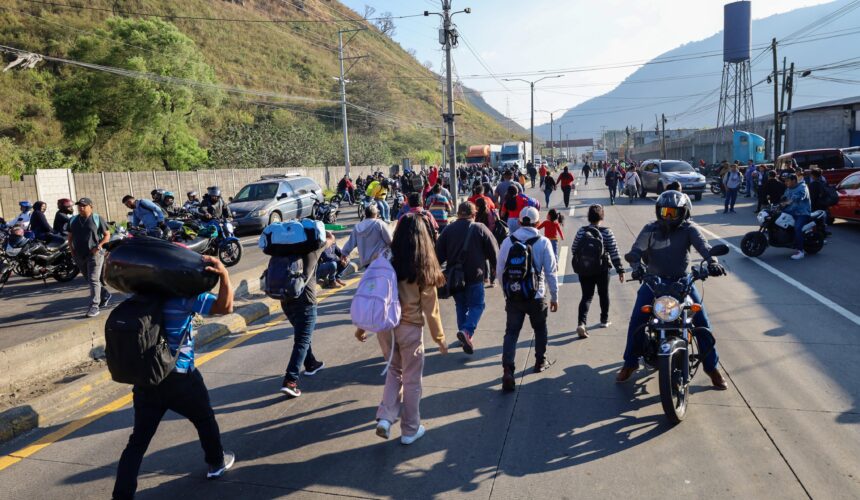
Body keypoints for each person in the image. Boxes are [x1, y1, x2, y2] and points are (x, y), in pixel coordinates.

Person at [112, 255, 236, 500]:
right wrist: (224, 275)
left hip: (146, 378)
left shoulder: (138, 297)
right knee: (204, 419)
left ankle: (121, 496)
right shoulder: (185, 296)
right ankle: (216, 462)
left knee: (138, 441)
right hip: (180, 376)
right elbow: (226, 307)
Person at [616, 191, 728, 389]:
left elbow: (704, 247)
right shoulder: (650, 228)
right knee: (637, 321)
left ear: (683, 213)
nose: (667, 217)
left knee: (702, 322)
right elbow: (637, 250)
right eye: (665, 212)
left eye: (673, 213)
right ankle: (630, 363)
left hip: (683, 282)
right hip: (653, 282)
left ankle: (712, 368)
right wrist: (636, 265)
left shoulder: (689, 229)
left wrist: (712, 262)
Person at [355, 213, 447, 445]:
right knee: (412, 380)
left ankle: (385, 418)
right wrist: (440, 338)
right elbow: (431, 309)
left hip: (386, 327)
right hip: (410, 328)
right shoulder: (423, 265)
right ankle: (410, 430)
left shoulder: (385, 257)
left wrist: (361, 326)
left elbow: (371, 292)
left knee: (394, 372)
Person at [497, 207, 559, 391]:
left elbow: (500, 271)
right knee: (540, 329)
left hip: (514, 297)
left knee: (511, 333)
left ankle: (508, 369)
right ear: (538, 223)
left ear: (520, 222)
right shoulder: (544, 241)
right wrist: (554, 296)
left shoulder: (508, 241)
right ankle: (540, 361)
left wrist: (506, 292)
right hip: (536, 295)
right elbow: (551, 272)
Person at [436, 202, 498, 355]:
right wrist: (495, 271)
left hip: (455, 278)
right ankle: (466, 331)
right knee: (477, 305)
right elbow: (494, 252)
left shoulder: (448, 230)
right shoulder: (480, 228)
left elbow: (437, 255)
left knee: (461, 306)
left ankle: (463, 333)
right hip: (475, 276)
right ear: (474, 214)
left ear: (458, 214)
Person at [277, 223, 331, 398]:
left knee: (302, 335)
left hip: (285, 300)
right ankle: (290, 380)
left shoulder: (283, 250)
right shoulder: (312, 250)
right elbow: (330, 239)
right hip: (306, 302)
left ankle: (311, 363)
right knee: (301, 340)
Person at [570, 204, 624, 339]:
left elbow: (574, 248)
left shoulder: (582, 231)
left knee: (586, 296)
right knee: (603, 294)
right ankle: (604, 320)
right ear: (602, 216)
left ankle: (581, 323)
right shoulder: (607, 232)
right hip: (602, 269)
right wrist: (620, 269)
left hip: (585, 269)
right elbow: (614, 252)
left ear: (589, 216)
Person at [67, 198, 111, 318]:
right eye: (79, 206)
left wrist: (99, 246)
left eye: (84, 205)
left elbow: (107, 235)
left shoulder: (97, 219)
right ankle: (104, 294)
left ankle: (94, 306)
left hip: (95, 254)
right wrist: (72, 251)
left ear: (90, 206)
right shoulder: (73, 220)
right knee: (90, 279)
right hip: (79, 255)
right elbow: (70, 237)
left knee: (93, 279)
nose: (81, 208)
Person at [343, 204, 392, 269]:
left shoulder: (357, 226)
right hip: (380, 258)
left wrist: (344, 253)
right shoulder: (379, 223)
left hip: (366, 261)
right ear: (375, 214)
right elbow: (389, 241)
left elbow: (350, 243)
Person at [781, 173, 812, 261]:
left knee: (797, 228)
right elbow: (785, 197)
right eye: (785, 181)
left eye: (787, 181)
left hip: (802, 213)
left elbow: (802, 196)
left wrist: (790, 200)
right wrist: (781, 202)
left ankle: (800, 251)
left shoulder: (803, 187)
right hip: (790, 211)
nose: (786, 182)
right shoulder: (788, 188)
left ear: (794, 180)